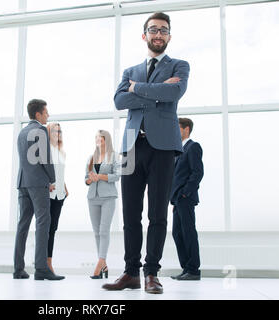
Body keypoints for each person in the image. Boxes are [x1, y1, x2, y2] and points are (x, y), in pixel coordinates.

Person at [103, 12, 190, 294]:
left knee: (157, 214)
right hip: (131, 146)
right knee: (130, 214)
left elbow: (173, 94)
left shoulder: (179, 65)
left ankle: (151, 272)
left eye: (164, 30)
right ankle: (130, 272)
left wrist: (138, 90)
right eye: (153, 29)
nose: (158, 34)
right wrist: (156, 91)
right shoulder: (130, 70)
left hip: (163, 146)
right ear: (144, 35)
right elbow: (119, 101)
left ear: (169, 36)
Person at [13, 99, 65, 281]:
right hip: (38, 184)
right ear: (38, 114)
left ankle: (18, 269)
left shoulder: (21, 132)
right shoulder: (40, 130)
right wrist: (52, 179)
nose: (48, 115)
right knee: (43, 223)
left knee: (23, 226)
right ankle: (41, 269)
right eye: (46, 113)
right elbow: (45, 158)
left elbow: (25, 161)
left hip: (23, 183)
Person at [170, 118, 204, 281]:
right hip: (177, 199)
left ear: (186, 129)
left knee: (188, 232)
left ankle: (193, 270)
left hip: (186, 198)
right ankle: (186, 268)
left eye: (178, 128)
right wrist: (175, 197)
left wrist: (185, 193)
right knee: (177, 233)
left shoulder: (193, 147)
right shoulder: (179, 150)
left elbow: (197, 172)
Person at [85, 130, 120, 279]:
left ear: (106, 140)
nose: (98, 139)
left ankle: (99, 263)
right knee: (96, 232)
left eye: (100, 137)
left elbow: (117, 175)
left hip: (108, 197)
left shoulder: (113, 156)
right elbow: (85, 179)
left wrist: (100, 176)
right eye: (96, 137)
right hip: (92, 197)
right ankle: (104, 264)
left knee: (104, 230)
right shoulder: (91, 157)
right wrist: (91, 179)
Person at [46, 122, 69, 274]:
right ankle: (45, 264)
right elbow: (43, 170)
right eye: (55, 131)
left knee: (53, 229)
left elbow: (59, 172)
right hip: (48, 194)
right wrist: (46, 183)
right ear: (49, 133)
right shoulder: (46, 150)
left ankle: (49, 263)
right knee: (46, 230)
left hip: (60, 195)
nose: (58, 134)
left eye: (60, 131)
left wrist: (66, 187)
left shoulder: (61, 151)